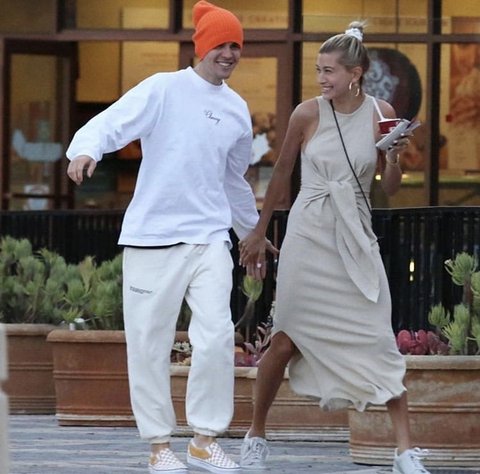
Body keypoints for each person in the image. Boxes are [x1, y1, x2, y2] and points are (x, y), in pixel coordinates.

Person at [66, 2, 273, 473]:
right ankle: (159, 447)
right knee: (148, 345)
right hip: (152, 238)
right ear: (202, 47)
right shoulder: (163, 88)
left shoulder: (237, 110)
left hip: (209, 239)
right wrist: (85, 150)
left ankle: (204, 439)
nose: (229, 53)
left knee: (217, 336)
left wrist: (251, 233)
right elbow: (112, 122)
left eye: (236, 45)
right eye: (221, 44)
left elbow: (233, 181)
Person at [238, 22, 431, 474]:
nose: (321, 79)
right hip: (309, 231)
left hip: (355, 234)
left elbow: (391, 186)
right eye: (318, 70)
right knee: (284, 339)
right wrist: (259, 231)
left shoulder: (381, 111)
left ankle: (404, 452)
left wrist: (394, 156)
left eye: (329, 71)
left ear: (355, 74)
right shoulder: (306, 114)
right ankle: (255, 435)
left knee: (378, 339)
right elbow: (282, 172)